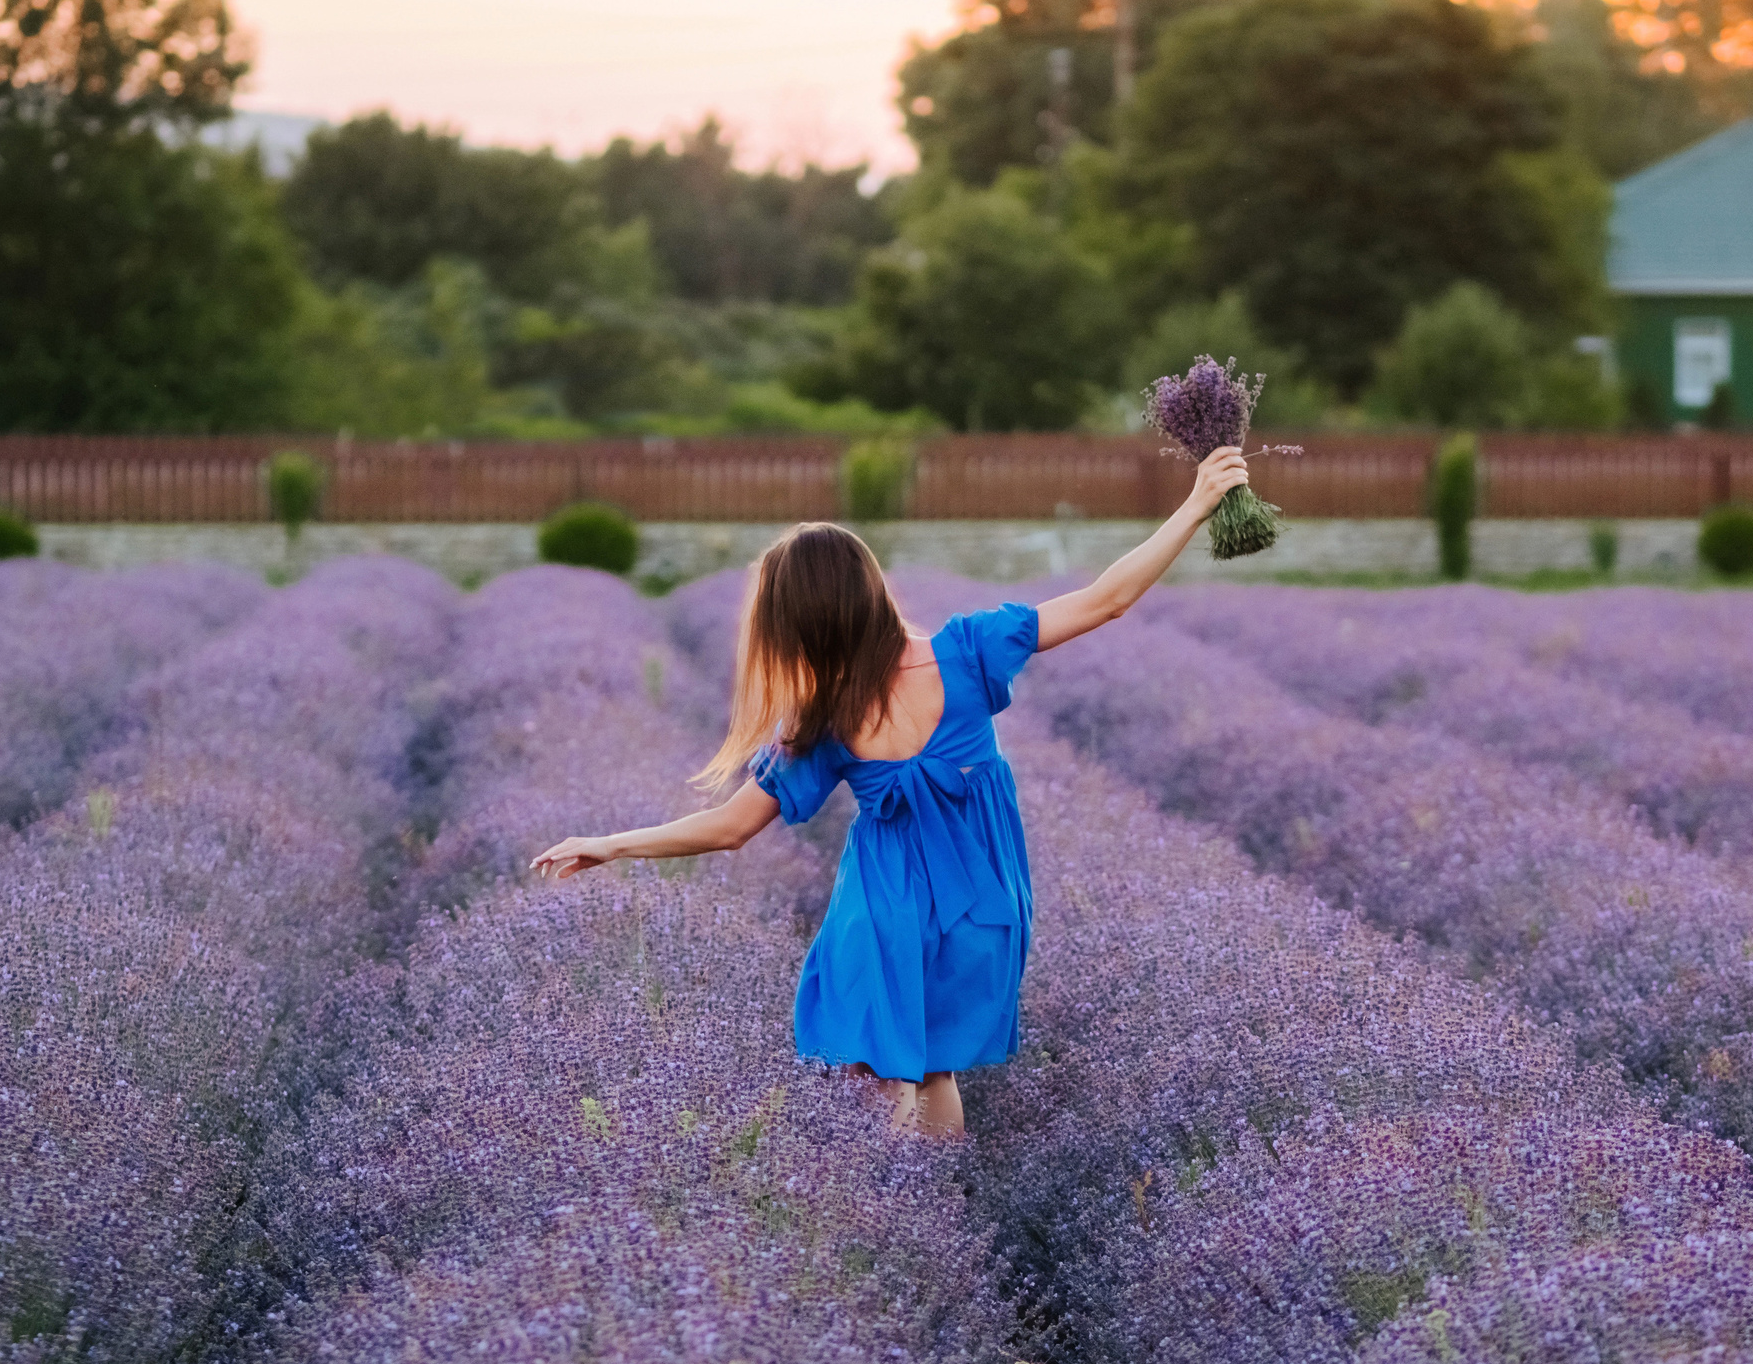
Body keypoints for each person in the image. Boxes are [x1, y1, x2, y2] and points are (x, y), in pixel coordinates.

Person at [531, 445, 1251, 1140]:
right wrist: (1195, 504)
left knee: (875, 1085)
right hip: (986, 907)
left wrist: (611, 844)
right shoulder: (970, 651)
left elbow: (729, 827)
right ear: (870, 589)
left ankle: (888, 1210)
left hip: (884, 912)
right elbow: (1109, 599)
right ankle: (936, 1208)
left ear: (799, 626)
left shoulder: (822, 720)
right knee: (933, 1072)